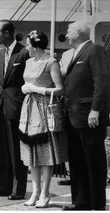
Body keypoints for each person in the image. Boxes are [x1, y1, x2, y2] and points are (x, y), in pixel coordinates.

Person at [62, 21, 110, 211]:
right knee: (77, 160)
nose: (66, 35)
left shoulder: (95, 50)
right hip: (73, 116)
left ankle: (97, 204)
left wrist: (95, 110)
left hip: (89, 116)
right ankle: (80, 201)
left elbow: (102, 82)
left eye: (68, 32)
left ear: (79, 33)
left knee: (94, 160)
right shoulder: (74, 54)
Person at [19, 30, 66, 208]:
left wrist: (38, 90)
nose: (26, 47)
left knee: (45, 153)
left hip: (44, 108)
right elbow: (26, 81)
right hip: (29, 108)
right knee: (31, 153)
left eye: (28, 44)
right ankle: (35, 191)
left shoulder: (50, 62)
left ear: (35, 45)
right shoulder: (29, 61)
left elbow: (60, 89)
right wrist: (26, 88)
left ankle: (45, 194)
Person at [0, 20, 29, 200]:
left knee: (16, 149)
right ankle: (3, 186)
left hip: (16, 106)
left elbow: (26, 80)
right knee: (1, 148)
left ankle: (18, 189)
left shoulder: (24, 53)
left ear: (6, 33)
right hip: (0, 105)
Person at [57, 48, 75, 186]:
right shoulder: (67, 53)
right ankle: (70, 174)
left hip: (77, 105)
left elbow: (63, 71)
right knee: (66, 140)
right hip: (65, 104)